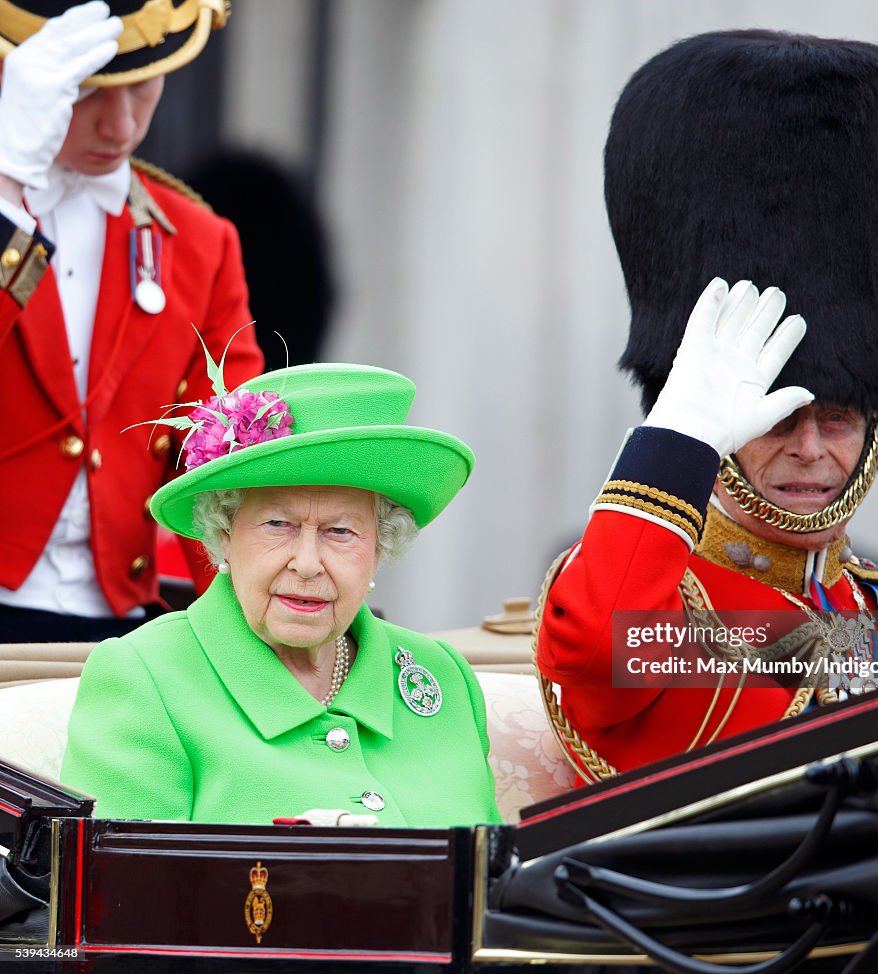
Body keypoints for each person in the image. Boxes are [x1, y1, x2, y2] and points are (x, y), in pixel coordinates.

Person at [535, 30, 878, 783]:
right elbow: (594, 644)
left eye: (837, 417)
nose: (811, 449)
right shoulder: (658, 608)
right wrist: (679, 435)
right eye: (778, 419)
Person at [60, 357, 502, 827]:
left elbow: (492, 882)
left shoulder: (444, 677)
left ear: (380, 546)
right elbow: (117, 893)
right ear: (224, 533)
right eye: (278, 524)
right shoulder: (146, 679)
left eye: (341, 531)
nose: (308, 564)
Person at [0, 0, 263, 642]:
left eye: (140, 85)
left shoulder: (202, 239)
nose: (118, 125)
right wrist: (6, 188)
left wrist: (254, 621)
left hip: (123, 627)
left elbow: (230, 456)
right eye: (86, 91)